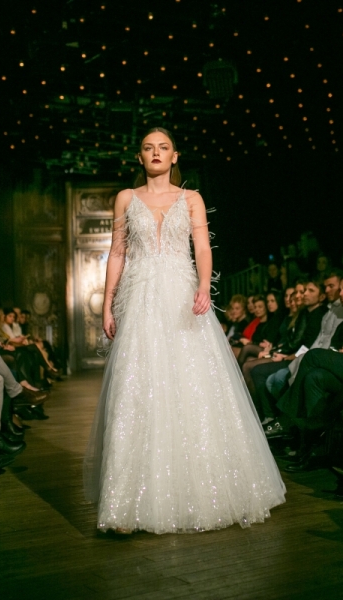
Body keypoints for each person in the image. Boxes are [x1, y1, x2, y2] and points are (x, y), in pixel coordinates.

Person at [84, 127, 285, 534]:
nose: (156, 153)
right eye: (148, 148)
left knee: (192, 386)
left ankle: (202, 493)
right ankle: (128, 506)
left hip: (180, 297)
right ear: (140, 157)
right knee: (137, 388)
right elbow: (118, 252)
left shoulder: (191, 198)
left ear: (175, 156)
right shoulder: (126, 198)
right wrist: (107, 304)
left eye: (163, 147)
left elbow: (203, 247)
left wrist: (203, 288)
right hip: (140, 299)